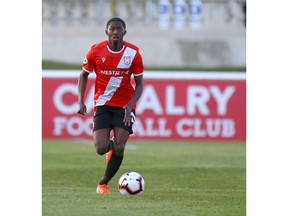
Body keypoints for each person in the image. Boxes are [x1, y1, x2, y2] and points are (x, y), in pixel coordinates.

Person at [77, 17, 144, 194]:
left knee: (120, 147)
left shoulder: (134, 53)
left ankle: (103, 183)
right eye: (112, 29)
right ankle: (110, 147)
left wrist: (131, 104)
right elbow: (83, 75)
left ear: (124, 32)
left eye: (119, 29)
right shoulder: (95, 51)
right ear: (106, 32)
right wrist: (80, 100)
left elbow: (140, 83)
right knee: (100, 148)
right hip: (103, 104)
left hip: (124, 107)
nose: (115, 32)